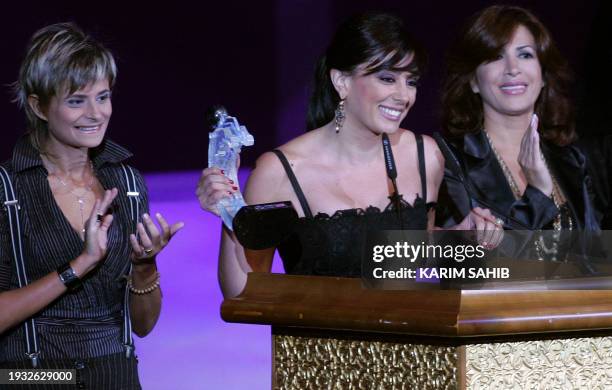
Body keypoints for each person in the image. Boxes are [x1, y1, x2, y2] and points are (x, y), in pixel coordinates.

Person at [197, 12, 502, 298]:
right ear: (341, 82)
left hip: (406, 348)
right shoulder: (280, 172)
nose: (404, 95)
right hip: (318, 350)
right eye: (387, 78)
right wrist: (230, 211)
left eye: (410, 81)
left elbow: (416, 250)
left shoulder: (425, 157)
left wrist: (458, 237)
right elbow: (242, 292)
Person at [0, 23, 183, 388]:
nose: (96, 113)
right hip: (35, 377)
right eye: (76, 100)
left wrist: (145, 267)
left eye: (102, 97)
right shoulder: (8, 191)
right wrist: (79, 265)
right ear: (38, 106)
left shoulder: (127, 184)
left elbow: (143, 326)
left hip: (115, 374)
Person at [436, 5, 599, 239]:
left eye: (525, 54)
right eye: (495, 56)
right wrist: (538, 194)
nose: (512, 69)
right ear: (473, 81)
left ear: (543, 76)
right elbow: (479, 261)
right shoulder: (450, 162)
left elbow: (596, 254)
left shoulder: (571, 161)